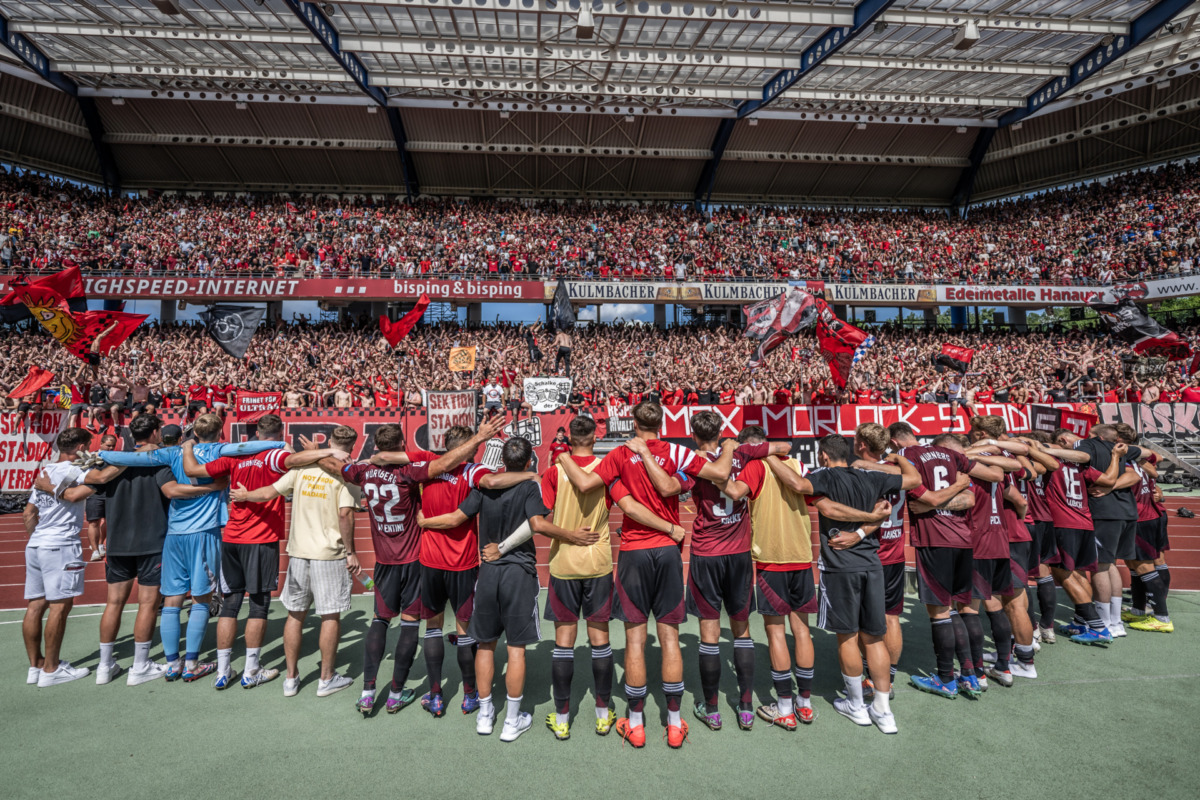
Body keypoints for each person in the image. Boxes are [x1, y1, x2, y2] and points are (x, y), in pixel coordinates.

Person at [419, 436, 593, 742]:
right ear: (528, 461)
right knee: (516, 649)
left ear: (503, 460)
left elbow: (457, 517)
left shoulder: (484, 486)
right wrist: (572, 536)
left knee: (485, 645)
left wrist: (425, 521)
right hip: (518, 573)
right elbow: (537, 524)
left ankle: (485, 715)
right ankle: (512, 720)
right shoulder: (531, 486)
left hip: (487, 573)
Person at [555, 401, 705, 749]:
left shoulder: (620, 455)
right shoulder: (676, 453)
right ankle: (674, 723)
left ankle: (635, 724)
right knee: (670, 638)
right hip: (668, 551)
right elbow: (710, 471)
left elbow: (586, 484)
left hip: (635, 551)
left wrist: (563, 456)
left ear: (634, 423)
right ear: (662, 423)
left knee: (635, 639)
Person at [338, 417, 510, 716]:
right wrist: (529, 476)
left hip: (424, 561)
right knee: (463, 631)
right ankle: (468, 695)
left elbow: (375, 459)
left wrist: (360, 458)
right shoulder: (465, 470)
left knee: (427, 627)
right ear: (469, 451)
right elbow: (492, 484)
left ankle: (431, 695)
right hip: (457, 562)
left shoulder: (422, 464)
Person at [97, 413, 280, 682]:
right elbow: (251, 446)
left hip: (174, 534)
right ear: (220, 432)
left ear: (195, 432)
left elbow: (133, 459)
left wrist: (103, 455)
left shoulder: (173, 452)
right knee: (201, 598)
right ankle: (192, 663)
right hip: (204, 533)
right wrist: (279, 444)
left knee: (172, 599)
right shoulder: (220, 450)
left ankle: (173, 663)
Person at [38, 415, 217, 686]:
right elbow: (172, 491)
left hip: (118, 542)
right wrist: (213, 488)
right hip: (152, 541)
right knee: (148, 604)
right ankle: (140, 665)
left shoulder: (111, 462)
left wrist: (48, 486)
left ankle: (104, 665)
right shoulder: (159, 461)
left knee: (114, 604)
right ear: (156, 432)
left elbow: (78, 493)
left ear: (131, 435)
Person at [182, 415, 349, 690]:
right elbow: (296, 460)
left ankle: (222, 671)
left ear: (257, 433)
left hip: (231, 537)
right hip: (260, 538)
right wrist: (328, 450)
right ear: (280, 433)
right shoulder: (274, 456)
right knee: (259, 605)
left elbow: (192, 470)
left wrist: (188, 445)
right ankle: (251, 670)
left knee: (230, 604)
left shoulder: (234, 456)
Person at [798, 434, 917, 733]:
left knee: (848, 637)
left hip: (840, 565)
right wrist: (895, 458)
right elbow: (914, 479)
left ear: (824, 455)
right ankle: (883, 710)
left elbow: (811, 496)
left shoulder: (821, 476)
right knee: (874, 638)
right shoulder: (871, 476)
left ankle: (855, 704)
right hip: (872, 564)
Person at [230, 425, 361, 698]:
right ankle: (326, 679)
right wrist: (351, 552)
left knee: (295, 614)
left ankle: (290, 678)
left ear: (330, 442)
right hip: (329, 554)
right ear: (351, 447)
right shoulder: (346, 475)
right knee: (330, 616)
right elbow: (346, 514)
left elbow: (268, 492)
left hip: (298, 552)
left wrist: (245, 495)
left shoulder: (302, 469)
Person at [877, 422, 1000, 699]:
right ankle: (971, 674)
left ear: (894, 441)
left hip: (934, 539)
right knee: (957, 608)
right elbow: (981, 488)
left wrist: (931, 502)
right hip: (963, 539)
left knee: (940, 613)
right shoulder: (950, 454)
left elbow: (897, 481)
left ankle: (946, 678)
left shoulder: (905, 456)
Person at [1042, 424, 1143, 637]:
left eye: (1088, 435)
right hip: (1124, 511)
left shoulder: (1086, 448)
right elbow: (1141, 468)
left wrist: (1044, 449)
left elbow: (1131, 472)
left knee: (1099, 567)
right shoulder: (1118, 449)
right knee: (1109, 564)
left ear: (1097, 437)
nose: (1083, 438)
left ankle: (1102, 623)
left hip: (1099, 513)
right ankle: (1111, 621)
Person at [1032, 432, 1123, 644]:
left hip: (1063, 522)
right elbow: (1109, 479)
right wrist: (1116, 457)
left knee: (1063, 574)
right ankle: (1082, 622)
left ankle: (1097, 627)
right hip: (1085, 521)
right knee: (1080, 574)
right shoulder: (1079, 464)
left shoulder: (1049, 458)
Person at [22, 427, 96, 687]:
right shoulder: (79, 471)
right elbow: (77, 494)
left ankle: (36, 666)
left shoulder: (45, 471)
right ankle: (52, 669)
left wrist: (38, 537)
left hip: (36, 543)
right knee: (60, 606)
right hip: (61, 543)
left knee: (35, 605)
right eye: (89, 445)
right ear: (80, 448)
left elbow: (28, 513)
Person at [1117, 425, 1174, 632]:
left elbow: (1154, 465)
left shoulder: (1129, 458)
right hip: (1145, 514)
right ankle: (1139, 609)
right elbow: (1154, 468)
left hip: (1143, 516)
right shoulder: (1138, 457)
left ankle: (1161, 615)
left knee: (1148, 564)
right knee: (1134, 564)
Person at [85, 434, 117, 562]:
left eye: (113, 446)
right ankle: (94, 550)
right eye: (108, 445)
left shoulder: (116, 457)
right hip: (94, 493)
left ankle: (100, 544)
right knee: (94, 522)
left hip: (111, 493)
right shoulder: (91, 456)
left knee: (109, 521)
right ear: (101, 444)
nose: (111, 448)